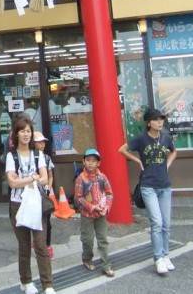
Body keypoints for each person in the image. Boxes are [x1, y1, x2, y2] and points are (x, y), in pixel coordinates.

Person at [118, 107, 177, 276]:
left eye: (161, 119)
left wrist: (168, 163)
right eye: (156, 119)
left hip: (165, 185)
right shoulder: (141, 139)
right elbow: (121, 149)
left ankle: (166, 255)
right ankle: (158, 257)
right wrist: (138, 161)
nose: (160, 122)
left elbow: (174, 152)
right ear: (148, 122)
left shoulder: (165, 138)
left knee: (166, 224)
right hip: (148, 186)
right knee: (157, 222)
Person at [5, 116, 55, 294]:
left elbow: (43, 179)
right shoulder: (11, 156)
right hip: (18, 205)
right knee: (24, 246)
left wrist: (26, 179)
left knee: (41, 244)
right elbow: (12, 184)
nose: (26, 134)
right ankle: (26, 282)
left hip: (36, 203)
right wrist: (33, 177)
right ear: (16, 134)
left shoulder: (38, 154)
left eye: (28, 131)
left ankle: (47, 284)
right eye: (22, 131)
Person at [74, 148, 115, 278]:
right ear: (83, 162)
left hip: (101, 214)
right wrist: (92, 207)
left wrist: (106, 207)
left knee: (103, 239)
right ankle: (87, 258)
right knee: (88, 239)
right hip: (87, 215)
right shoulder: (81, 178)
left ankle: (106, 265)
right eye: (88, 160)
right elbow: (78, 197)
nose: (91, 163)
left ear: (98, 163)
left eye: (94, 161)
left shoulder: (102, 177)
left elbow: (109, 193)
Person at [32, 130, 55, 260]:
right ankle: (37, 242)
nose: (42, 144)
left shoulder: (46, 158)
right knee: (34, 219)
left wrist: (48, 187)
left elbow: (50, 175)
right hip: (33, 192)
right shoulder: (29, 157)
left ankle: (48, 245)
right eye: (39, 142)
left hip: (44, 193)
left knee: (47, 220)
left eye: (43, 142)